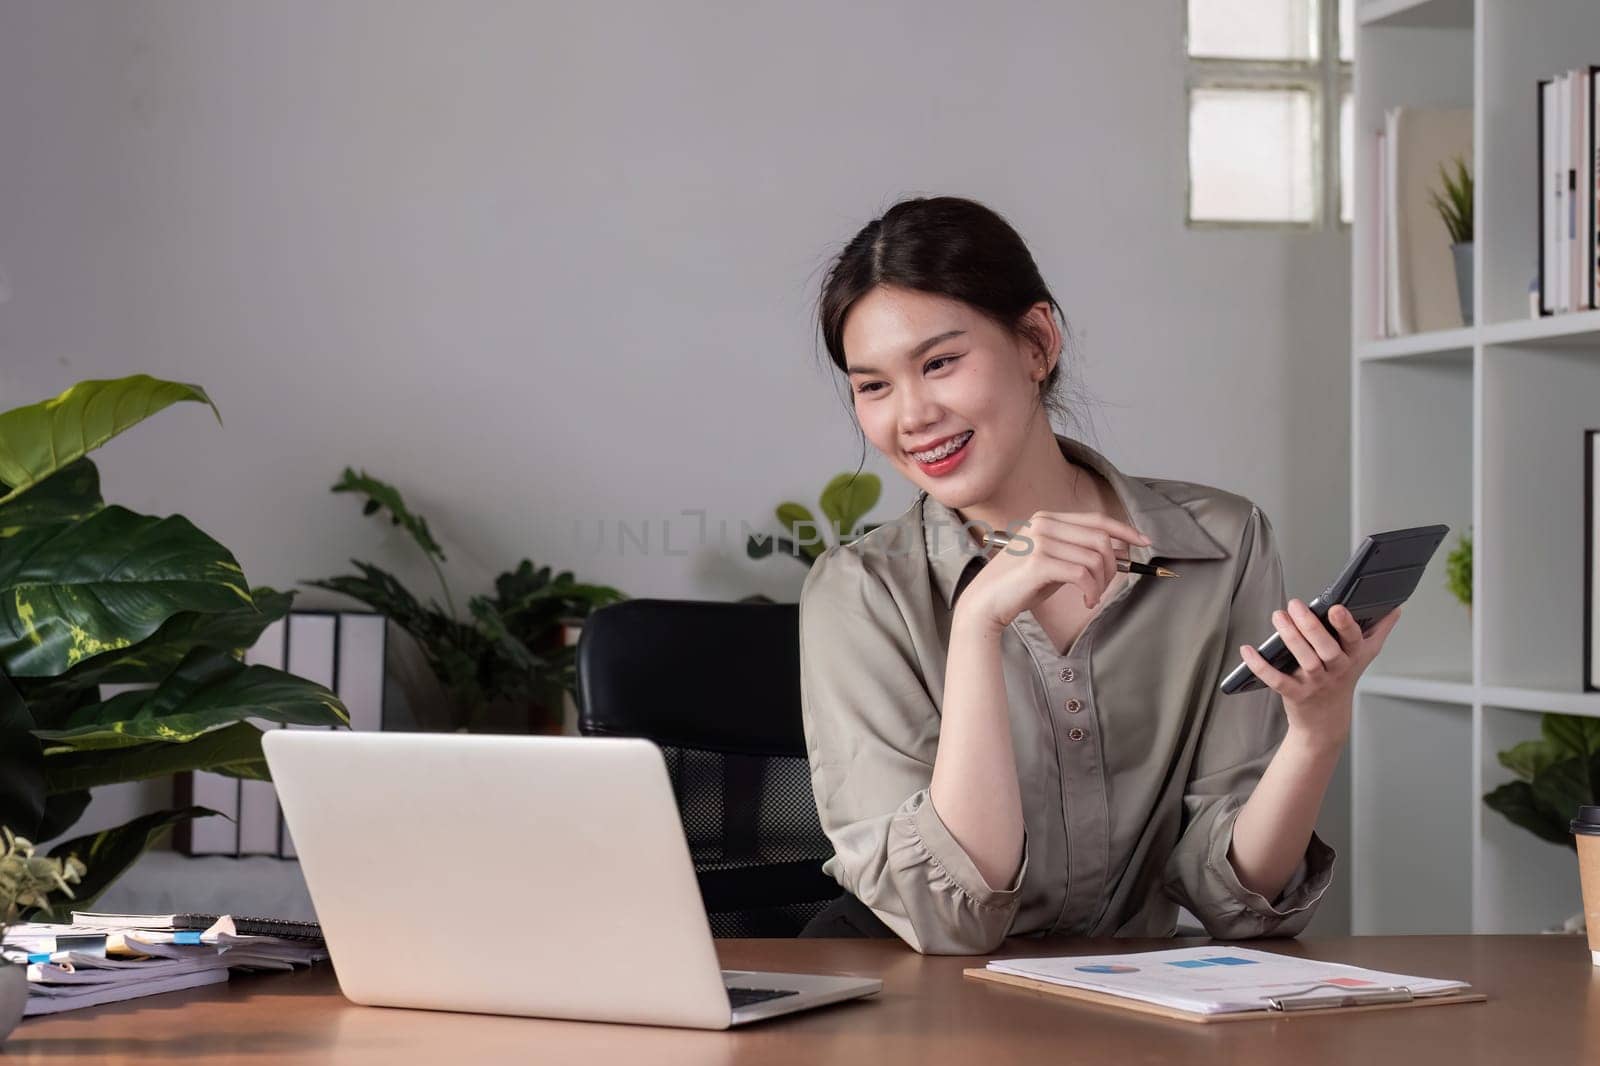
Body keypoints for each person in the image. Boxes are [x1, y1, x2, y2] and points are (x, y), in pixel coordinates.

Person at [795, 195, 1402, 954]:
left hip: (1124, 998)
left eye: (941, 362)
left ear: (1037, 343)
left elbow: (1238, 903)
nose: (911, 415)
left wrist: (1317, 731)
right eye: (873, 386)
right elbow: (948, 919)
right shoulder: (859, 592)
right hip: (918, 1003)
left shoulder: (1222, 544)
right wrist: (979, 624)